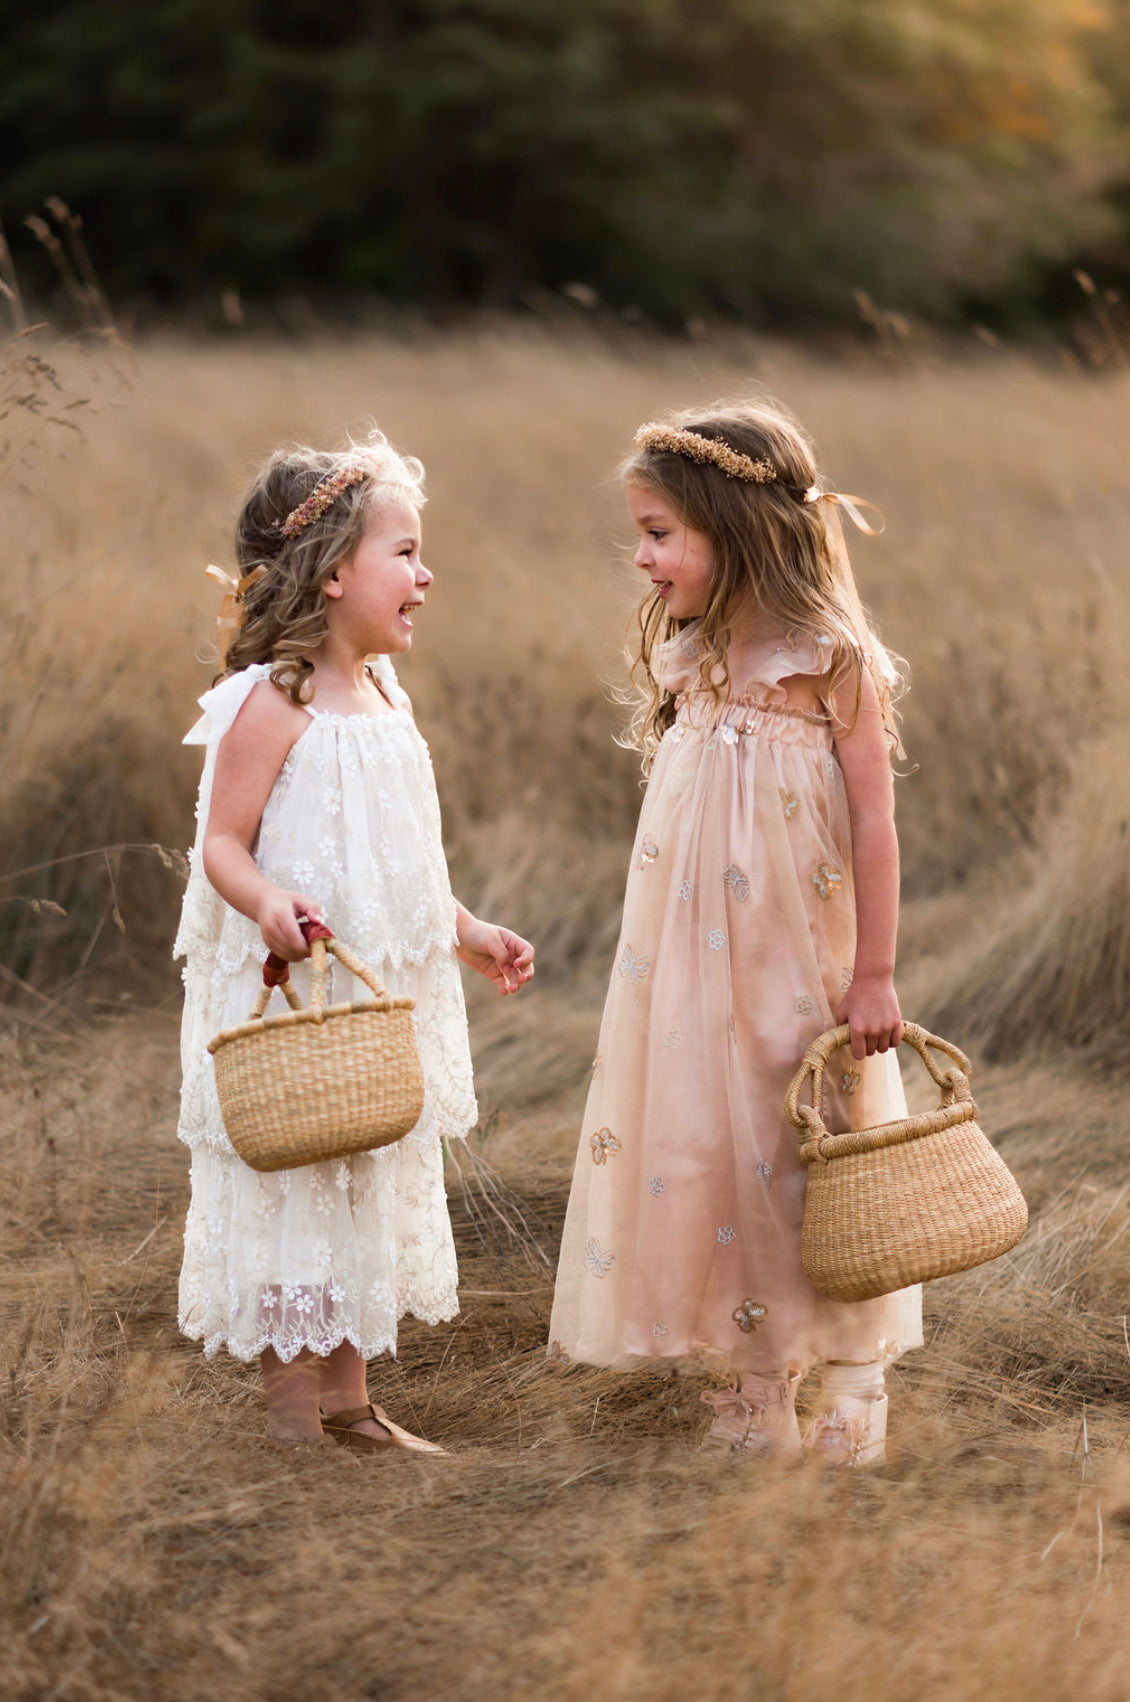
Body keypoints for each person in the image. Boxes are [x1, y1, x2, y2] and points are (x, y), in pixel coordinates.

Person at [548, 402, 922, 1466]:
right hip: (690, 969)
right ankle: (755, 1378)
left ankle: (853, 1373)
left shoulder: (828, 658)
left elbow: (872, 827)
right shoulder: (695, 651)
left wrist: (874, 972)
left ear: (735, 527)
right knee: (708, 1147)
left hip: (798, 961)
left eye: (659, 532)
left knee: (809, 1147)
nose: (640, 555)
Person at [174, 430, 534, 1453]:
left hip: (380, 986)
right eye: (405, 553)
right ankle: (296, 1415)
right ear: (333, 573)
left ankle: (352, 1404)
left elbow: (408, 856)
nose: (426, 575)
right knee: (298, 1175)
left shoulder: (384, 697)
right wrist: (268, 900)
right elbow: (221, 846)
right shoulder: (271, 700)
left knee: (369, 1166)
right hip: (300, 980)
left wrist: (464, 931)